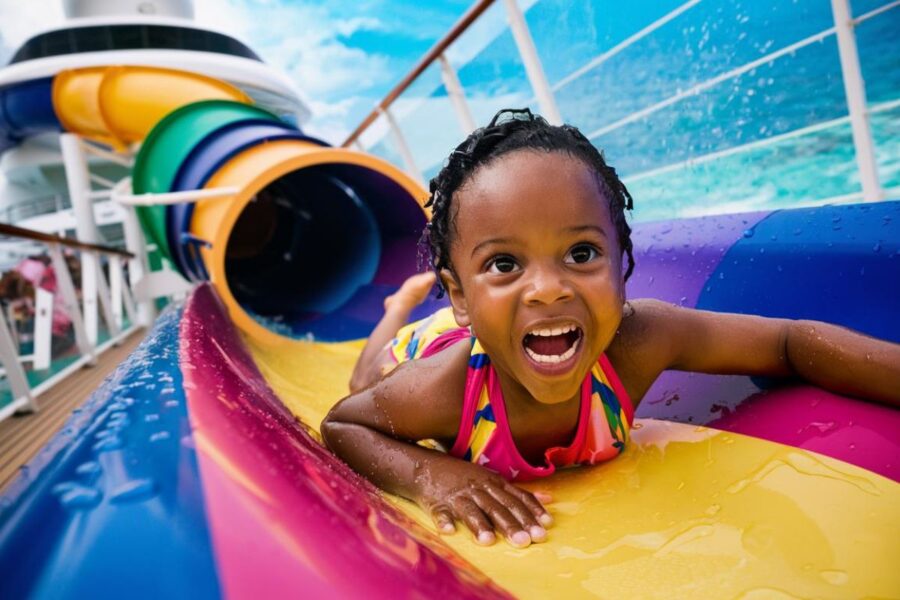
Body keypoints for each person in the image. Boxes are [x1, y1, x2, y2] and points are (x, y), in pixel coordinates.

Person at [321, 109, 900, 549]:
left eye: (580, 253)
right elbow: (344, 424)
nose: (548, 287)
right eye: (505, 263)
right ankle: (399, 310)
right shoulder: (443, 391)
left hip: (502, 327)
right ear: (461, 295)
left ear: (623, 265)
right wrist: (435, 476)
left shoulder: (639, 340)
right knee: (365, 379)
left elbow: (788, 343)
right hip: (442, 345)